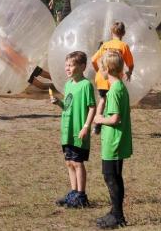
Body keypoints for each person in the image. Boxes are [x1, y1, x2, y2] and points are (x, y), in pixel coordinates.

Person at [51, 51, 96, 208]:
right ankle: (73, 192)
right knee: (69, 162)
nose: (67, 68)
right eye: (66, 65)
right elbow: (67, 105)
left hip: (78, 132)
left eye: (71, 65)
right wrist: (59, 103)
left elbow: (92, 107)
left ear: (82, 67)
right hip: (67, 131)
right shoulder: (68, 84)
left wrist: (86, 127)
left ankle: (81, 196)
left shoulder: (86, 85)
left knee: (77, 163)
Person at [93, 50, 132, 229]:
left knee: (111, 177)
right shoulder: (117, 87)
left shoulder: (115, 90)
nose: (99, 69)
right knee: (114, 177)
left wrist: (99, 119)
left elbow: (115, 118)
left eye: (101, 66)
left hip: (114, 142)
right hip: (114, 140)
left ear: (107, 68)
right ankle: (115, 212)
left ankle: (118, 216)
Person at [91, 22, 134, 134]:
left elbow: (93, 60)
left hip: (102, 77)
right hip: (113, 79)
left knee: (103, 100)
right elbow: (130, 64)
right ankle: (114, 121)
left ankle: (97, 125)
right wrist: (129, 72)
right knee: (116, 99)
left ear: (111, 33)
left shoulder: (105, 45)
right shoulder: (123, 46)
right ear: (124, 33)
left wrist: (99, 71)